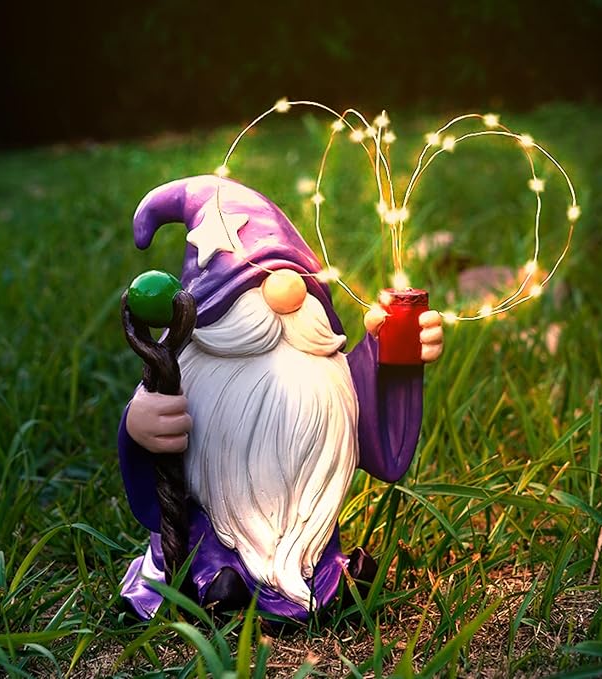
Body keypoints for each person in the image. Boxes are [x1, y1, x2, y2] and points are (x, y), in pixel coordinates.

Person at [118, 176, 443, 620]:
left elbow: (376, 440)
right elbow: (152, 482)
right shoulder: (191, 375)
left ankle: (320, 576)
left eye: (300, 294)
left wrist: (395, 359)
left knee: (318, 553)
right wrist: (139, 425)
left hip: (312, 546)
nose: (282, 299)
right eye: (247, 298)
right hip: (203, 539)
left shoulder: (327, 373)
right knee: (206, 557)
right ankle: (215, 576)